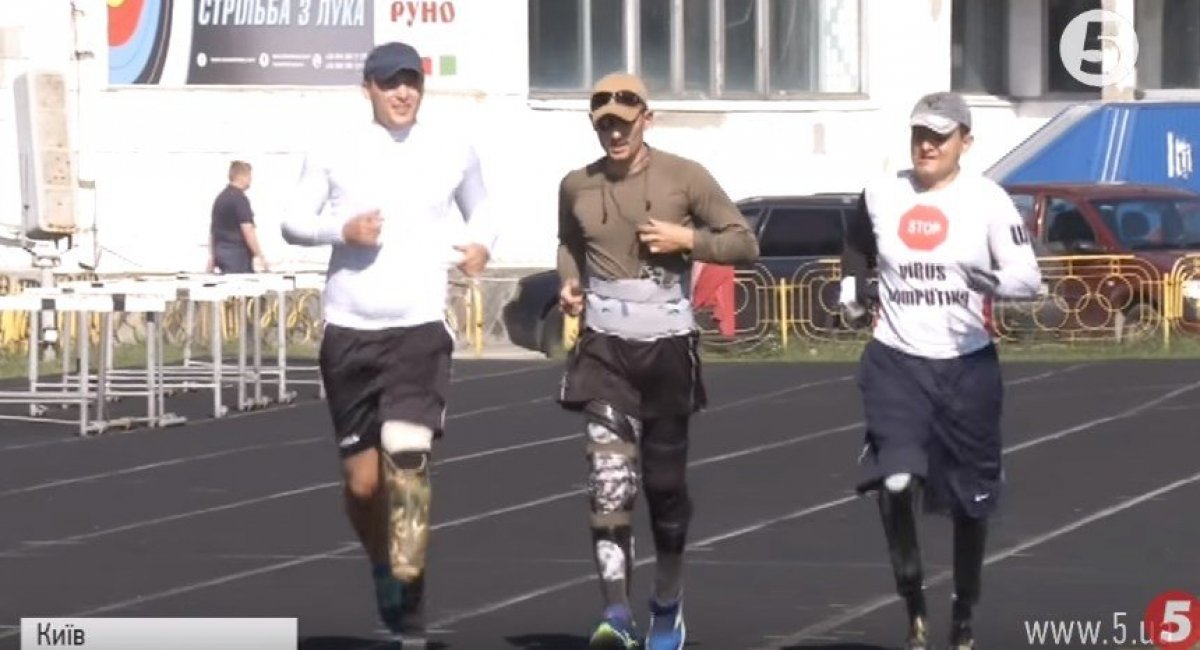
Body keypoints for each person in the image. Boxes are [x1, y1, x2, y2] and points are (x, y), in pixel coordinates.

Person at [279, 41, 496, 647]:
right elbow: (292, 221)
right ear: (367, 88)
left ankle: (412, 596)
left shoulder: (452, 148)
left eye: (411, 82)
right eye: (389, 83)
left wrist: (482, 244)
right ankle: (386, 568)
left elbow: (483, 209)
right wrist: (340, 229)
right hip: (349, 332)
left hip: (418, 329)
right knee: (363, 487)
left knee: (408, 460)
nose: (402, 93)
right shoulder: (334, 149)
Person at [555, 71, 759, 650]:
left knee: (665, 488)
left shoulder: (685, 176)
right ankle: (616, 615)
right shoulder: (576, 184)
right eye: (604, 125)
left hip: (667, 347)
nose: (615, 134)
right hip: (604, 348)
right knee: (608, 483)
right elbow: (569, 244)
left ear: (647, 118)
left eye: (624, 123)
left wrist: (687, 240)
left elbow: (745, 242)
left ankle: (667, 605)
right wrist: (570, 282)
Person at [838, 91, 1042, 650]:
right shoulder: (882, 193)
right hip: (896, 362)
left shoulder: (988, 200)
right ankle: (914, 606)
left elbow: (1028, 276)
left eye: (939, 137)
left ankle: (964, 609)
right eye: (919, 135)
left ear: (965, 143)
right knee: (896, 481)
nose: (927, 145)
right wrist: (851, 289)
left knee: (970, 503)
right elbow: (855, 244)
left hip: (966, 368)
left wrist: (991, 282)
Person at [208, 160, 268, 273]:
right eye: (249, 176)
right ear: (242, 176)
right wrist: (259, 255)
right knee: (241, 284)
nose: (250, 180)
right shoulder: (240, 199)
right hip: (237, 255)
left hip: (221, 254)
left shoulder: (220, 198)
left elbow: (213, 231)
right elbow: (247, 229)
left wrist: (212, 257)